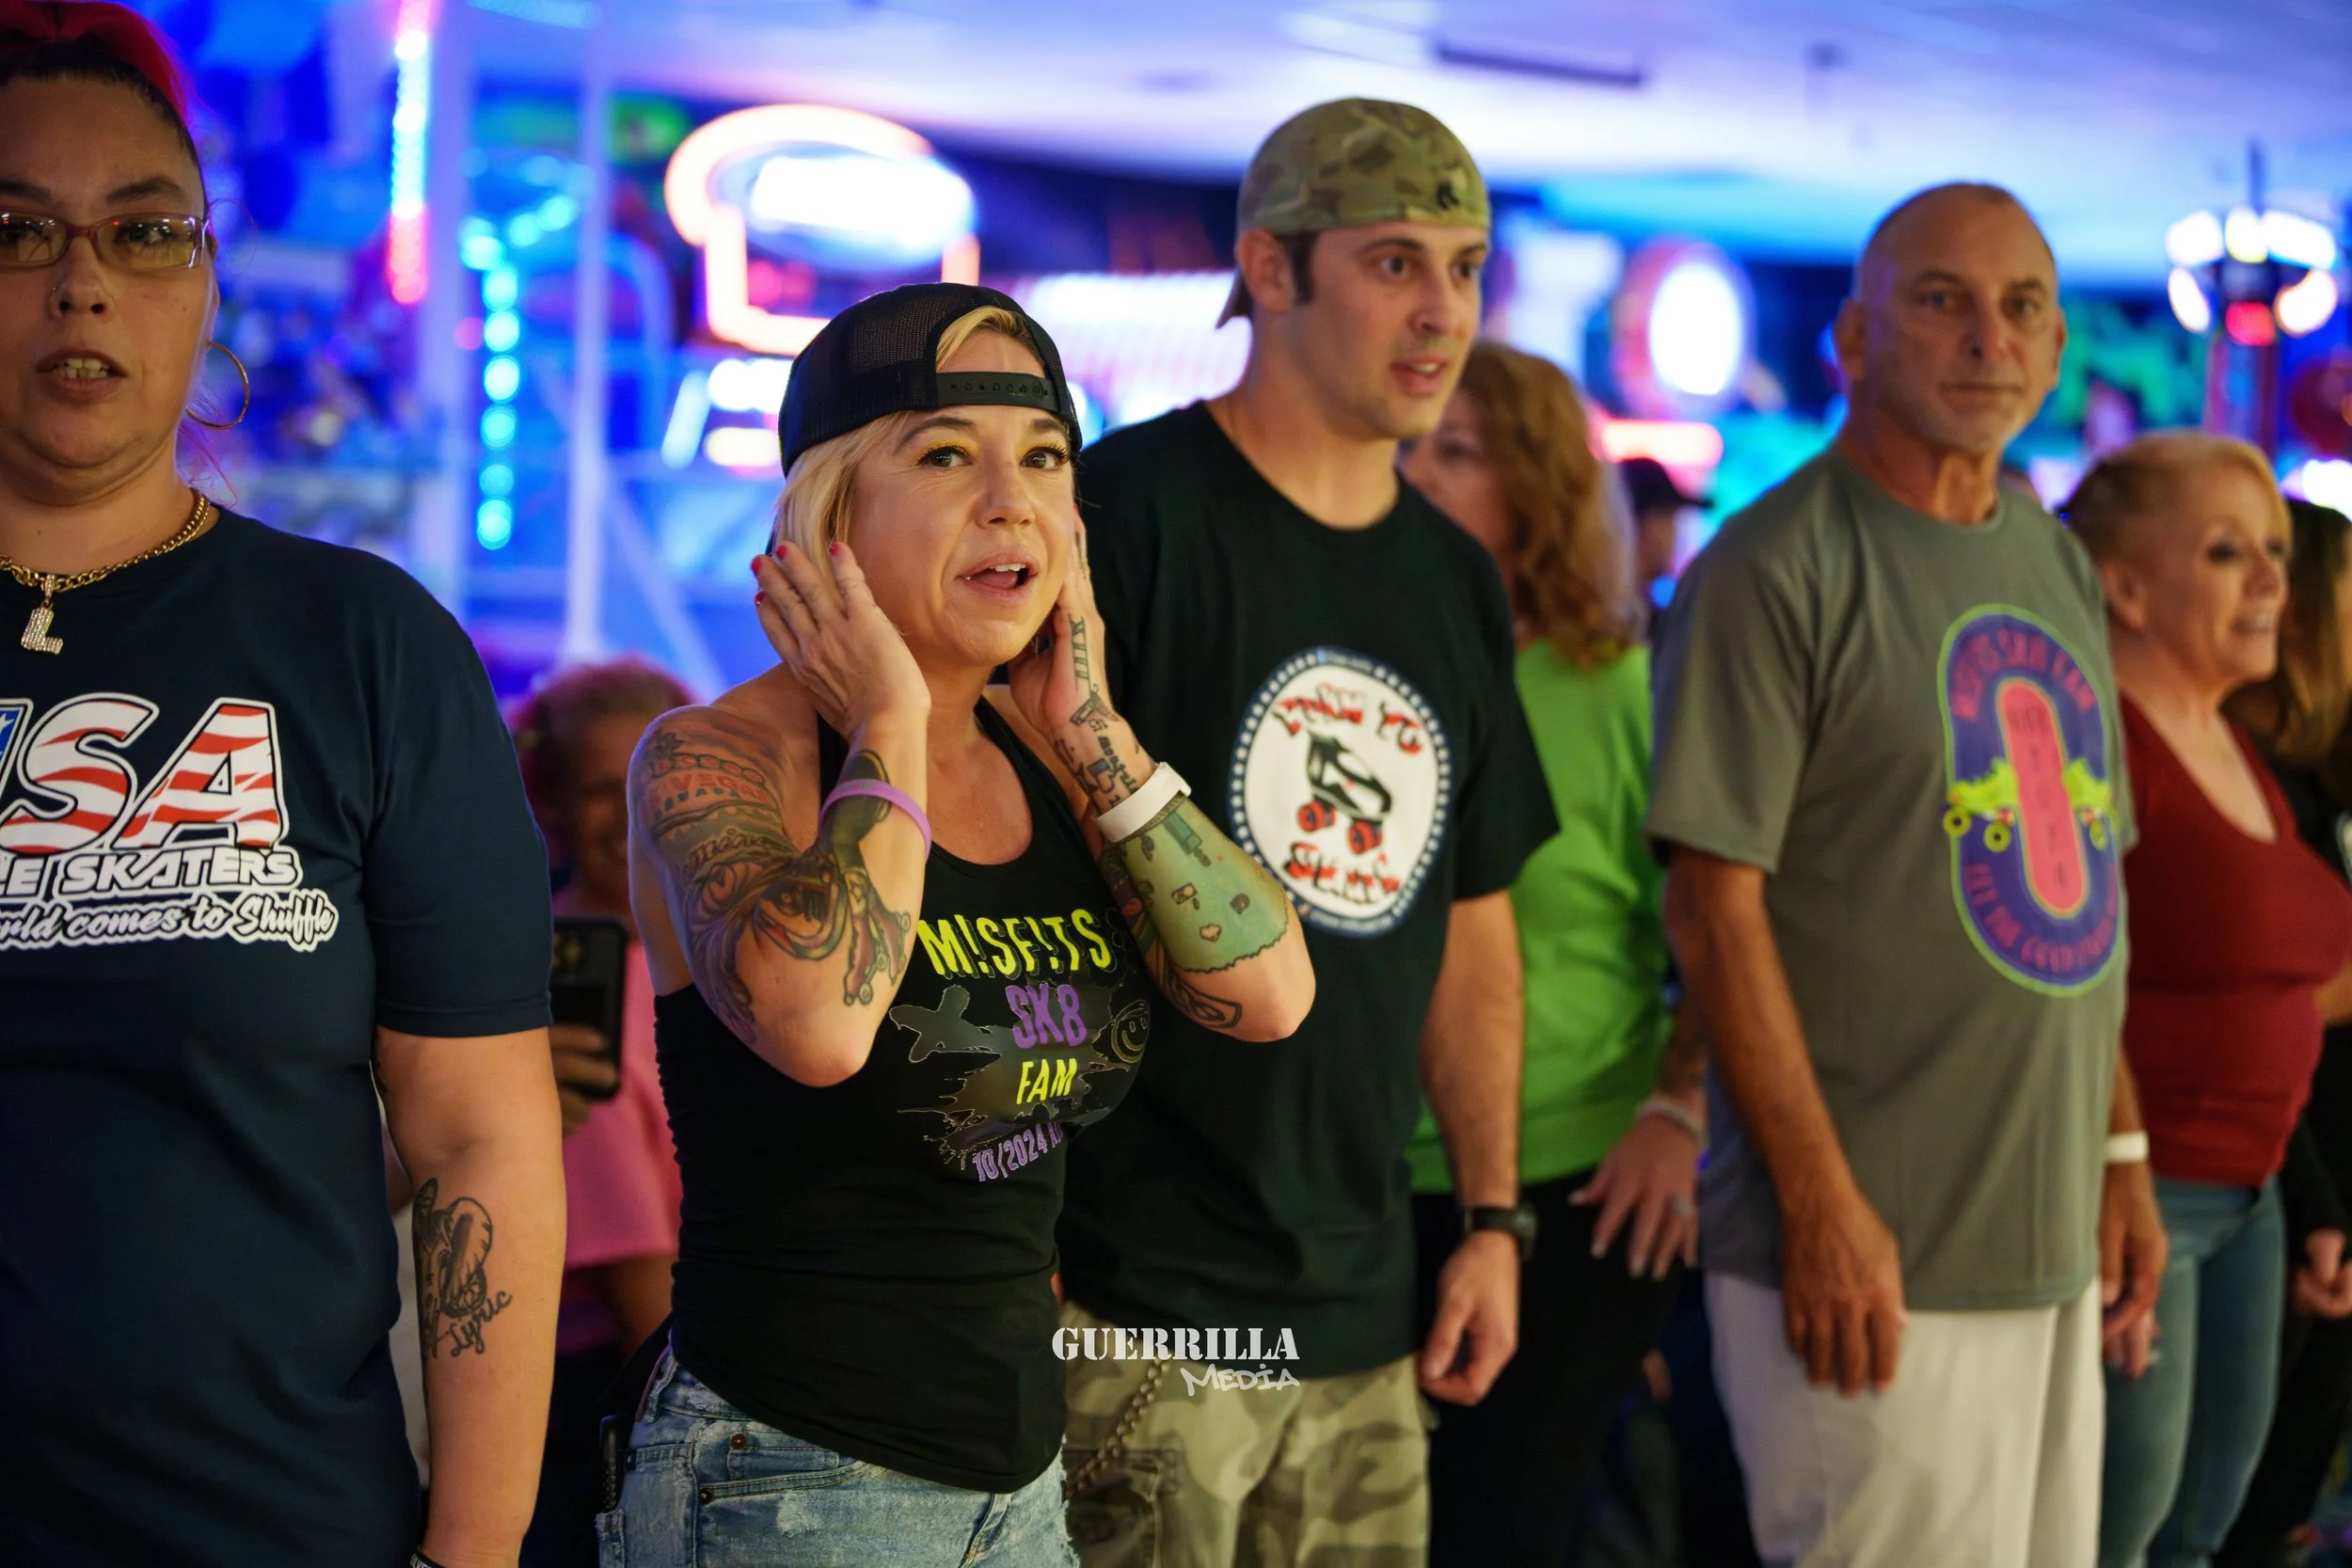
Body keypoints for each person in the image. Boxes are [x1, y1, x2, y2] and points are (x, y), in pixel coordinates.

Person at [611, 282, 1313, 1566]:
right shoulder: (713, 755)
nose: (1013, 501)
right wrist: (891, 722)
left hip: (1020, 1484)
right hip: (785, 1475)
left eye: (1046, 458)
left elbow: (1269, 993)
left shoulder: (1055, 760)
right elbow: (822, 1024)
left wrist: (1097, 736)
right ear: (831, 512)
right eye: (946, 455)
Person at [0, 7, 564, 1567]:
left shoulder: (360, 645)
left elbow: (480, 1141)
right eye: (14, 229)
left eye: (146, 229)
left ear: (206, 278)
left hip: (268, 1519)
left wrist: (474, 1549)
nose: (83, 279)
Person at [1056, 99, 1558, 1563]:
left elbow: (1472, 930)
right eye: (1395, 261)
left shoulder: (1456, 580)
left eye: (1465, 267)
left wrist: (1491, 1217)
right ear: (1269, 273)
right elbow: (988, 876)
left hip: (1362, 1298)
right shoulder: (1122, 516)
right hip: (1134, 1296)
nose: (1442, 311)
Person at [1648, 182, 2166, 1568]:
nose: (1987, 339)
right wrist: (1819, 1206)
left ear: (2059, 350)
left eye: (2022, 307)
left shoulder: (2049, 556)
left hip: (2045, 1237)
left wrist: (2119, 1151)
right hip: (1869, 1253)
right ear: (1856, 340)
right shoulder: (1776, 565)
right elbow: (1711, 904)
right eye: (1941, 298)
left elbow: (2083, 896)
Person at [1398, 338, 1705, 1563]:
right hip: (1358, 1180)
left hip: (1575, 1179)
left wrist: (1678, 1110)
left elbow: (1726, 924)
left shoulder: (1622, 687)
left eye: (1457, 452)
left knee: (1509, 1521)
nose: (1417, 474)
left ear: (1538, 489)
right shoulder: (1348, 668)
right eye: (1409, 445)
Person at [2060, 440, 2352, 1568]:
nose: (2271, 581)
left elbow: (2277, 988)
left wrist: (2307, 1192)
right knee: (2117, 1534)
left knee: (2204, 1528)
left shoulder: (2233, 738)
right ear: (2124, 585)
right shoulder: (2097, 741)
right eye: (2228, 552)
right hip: (2143, 1187)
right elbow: (2065, 983)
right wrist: (2117, 1157)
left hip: (2253, 1184)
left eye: (2274, 552)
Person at [508, 657, 691, 1566]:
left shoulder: (713, 965)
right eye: (595, 789)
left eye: (652, 778)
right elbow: (641, 1301)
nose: (628, 812)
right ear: (547, 807)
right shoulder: (554, 993)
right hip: (621, 1402)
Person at [2220, 499, 2352, 1568]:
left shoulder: (2319, 768)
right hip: (2272, 1163)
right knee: (2216, 1510)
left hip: (2303, 1169)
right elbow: (2263, 1001)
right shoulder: (2241, 772)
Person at [1620, 454, 1704, 615]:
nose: (1675, 533)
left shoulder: (1631, 611)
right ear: (1643, 523)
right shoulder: (1610, 618)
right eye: (1669, 518)